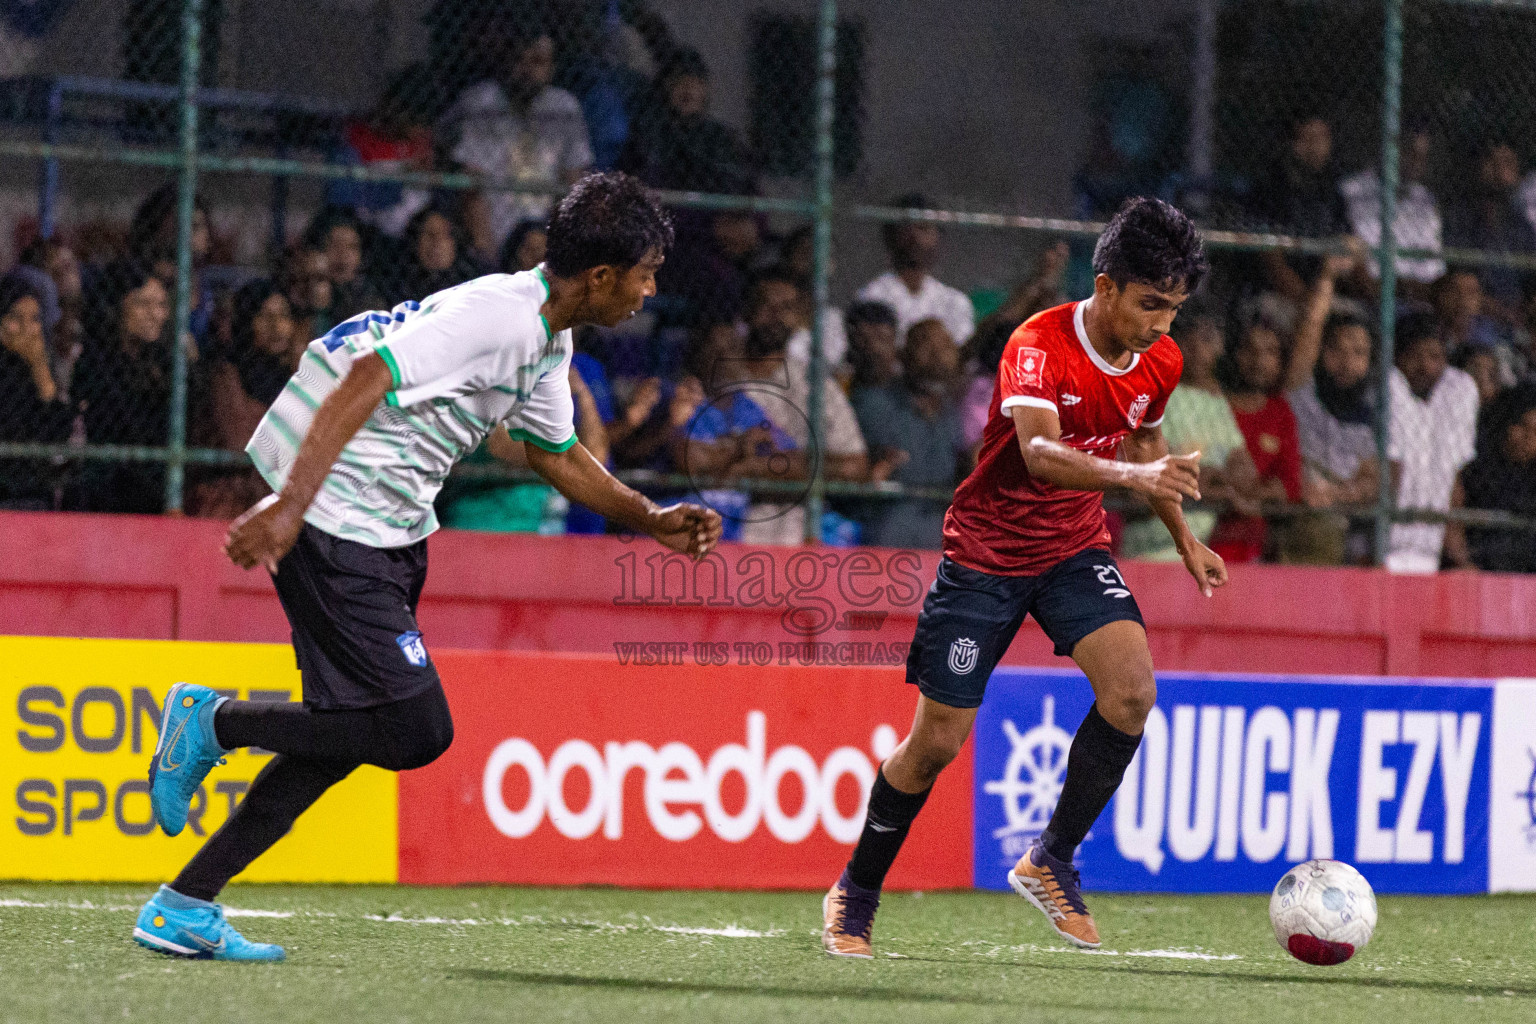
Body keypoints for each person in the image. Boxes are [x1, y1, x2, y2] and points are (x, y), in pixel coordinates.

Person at [131, 172, 722, 961]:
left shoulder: (547, 332)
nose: (651, 291)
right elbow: (367, 373)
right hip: (338, 514)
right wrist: (291, 506)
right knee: (415, 727)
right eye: (646, 273)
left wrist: (648, 519)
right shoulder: (498, 319)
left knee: (346, 734)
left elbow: (555, 453)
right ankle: (211, 722)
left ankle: (184, 904)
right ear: (602, 276)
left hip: (388, 523)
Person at [822, 198, 1224, 957]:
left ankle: (1051, 860)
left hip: (1073, 550)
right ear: (1105, 287)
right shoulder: (1038, 343)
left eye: (1174, 308)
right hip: (985, 558)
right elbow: (1041, 455)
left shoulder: (1160, 360)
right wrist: (1134, 481)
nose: (1163, 325)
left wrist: (1180, 538)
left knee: (1133, 693)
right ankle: (857, 891)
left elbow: (1148, 448)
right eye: (1150, 304)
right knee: (934, 745)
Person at [1119, 300, 1260, 562]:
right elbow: (1153, 478)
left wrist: (1210, 480)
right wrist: (1219, 487)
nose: (1197, 347)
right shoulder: (1151, 392)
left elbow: (1245, 472)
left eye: (1207, 338)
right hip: (1154, 545)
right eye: (1189, 337)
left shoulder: (1215, 401)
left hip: (1208, 540)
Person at [442, 28, 595, 246]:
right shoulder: (483, 102)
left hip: (544, 231)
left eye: (537, 61)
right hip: (496, 229)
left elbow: (572, 180)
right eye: (519, 60)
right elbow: (472, 184)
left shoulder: (563, 107)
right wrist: (486, 254)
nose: (527, 70)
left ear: (551, 68)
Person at [850, 318, 968, 549]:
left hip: (941, 539)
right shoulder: (874, 403)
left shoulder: (955, 411)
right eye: (925, 343)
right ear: (903, 354)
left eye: (944, 345)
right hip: (886, 535)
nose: (936, 354)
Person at [72, 261, 176, 513]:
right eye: (142, 303)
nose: (155, 314)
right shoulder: (96, 360)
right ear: (118, 307)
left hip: (154, 487)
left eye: (161, 305)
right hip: (106, 488)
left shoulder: (167, 361)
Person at [1386, 313, 1479, 573]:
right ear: (1397, 356)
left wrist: (1459, 557)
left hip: (1430, 550)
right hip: (1379, 547)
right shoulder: (1388, 385)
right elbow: (1389, 471)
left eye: (1435, 356)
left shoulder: (1457, 389)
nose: (1426, 366)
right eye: (1415, 356)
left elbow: (1454, 478)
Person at [1214, 314, 1305, 562]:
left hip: (1254, 543)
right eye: (1249, 350)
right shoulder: (1213, 403)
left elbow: (1289, 486)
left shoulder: (1280, 412)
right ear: (1233, 353)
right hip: (1204, 530)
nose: (1259, 361)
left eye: (1270, 352)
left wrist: (1248, 496)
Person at [617, 47, 753, 196]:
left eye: (695, 82)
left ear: (705, 89)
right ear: (665, 87)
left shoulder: (720, 135)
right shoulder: (651, 131)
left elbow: (738, 180)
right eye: (679, 81)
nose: (688, 88)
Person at [1339, 126, 1445, 298]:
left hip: (1417, 299)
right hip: (1368, 295)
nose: (1416, 163)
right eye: (1411, 153)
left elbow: (1432, 271)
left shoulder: (1425, 200)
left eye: (1422, 157)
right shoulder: (1352, 191)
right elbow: (1360, 268)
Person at [856, 194, 975, 346]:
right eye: (907, 227)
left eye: (924, 228)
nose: (915, 237)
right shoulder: (872, 296)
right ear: (890, 236)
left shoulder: (954, 301)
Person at [0, 273, 74, 509]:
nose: (25, 328)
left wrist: (39, 367)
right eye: (14, 317)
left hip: (32, 491)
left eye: (34, 319)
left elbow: (57, 433)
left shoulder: (40, 366)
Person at [1459, 381, 1536, 573]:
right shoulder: (1477, 470)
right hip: (1481, 568)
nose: (1528, 438)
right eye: (1522, 427)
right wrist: (1464, 562)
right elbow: (1454, 518)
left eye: (1535, 432)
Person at [300, 207, 387, 328]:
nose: (342, 254)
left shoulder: (369, 301)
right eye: (334, 244)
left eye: (352, 247)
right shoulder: (297, 293)